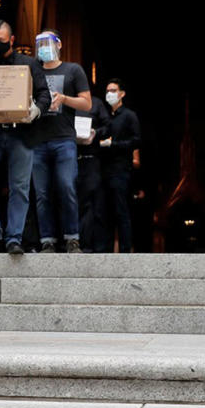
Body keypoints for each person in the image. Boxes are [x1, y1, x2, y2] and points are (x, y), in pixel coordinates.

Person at [0, 20, 51, 255]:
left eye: (1, 40)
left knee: (20, 186)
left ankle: (14, 237)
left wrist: (35, 110)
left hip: (21, 133)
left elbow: (44, 94)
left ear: (12, 39)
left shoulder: (29, 64)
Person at [29, 30, 92, 253]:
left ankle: (72, 238)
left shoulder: (73, 70)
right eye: (40, 44)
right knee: (42, 193)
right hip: (37, 140)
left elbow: (86, 104)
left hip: (64, 138)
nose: (44, 48)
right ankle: (47, 240)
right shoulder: (31, 71)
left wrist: (65, 99)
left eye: (48, 43)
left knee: (67, 187)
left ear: (59, 45)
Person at [98, 78, 141, 252]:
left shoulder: (129, 116)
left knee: (121, 210)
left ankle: (124, 250)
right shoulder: (106, 116)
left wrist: (114, 144)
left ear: (122, 94)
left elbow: (136, 141)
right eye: (108, 90)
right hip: (104, 170)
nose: (110, 94)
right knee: (105, 212)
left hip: (121, 169)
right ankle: (107, 250)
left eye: (113, 90)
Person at [75, 90, 111, 252]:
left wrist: (95, 133)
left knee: (91, 203)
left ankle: (90, 245)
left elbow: (108, 126)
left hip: (91, 157)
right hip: (69, 158)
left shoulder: (96, 103)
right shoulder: (66, 102)